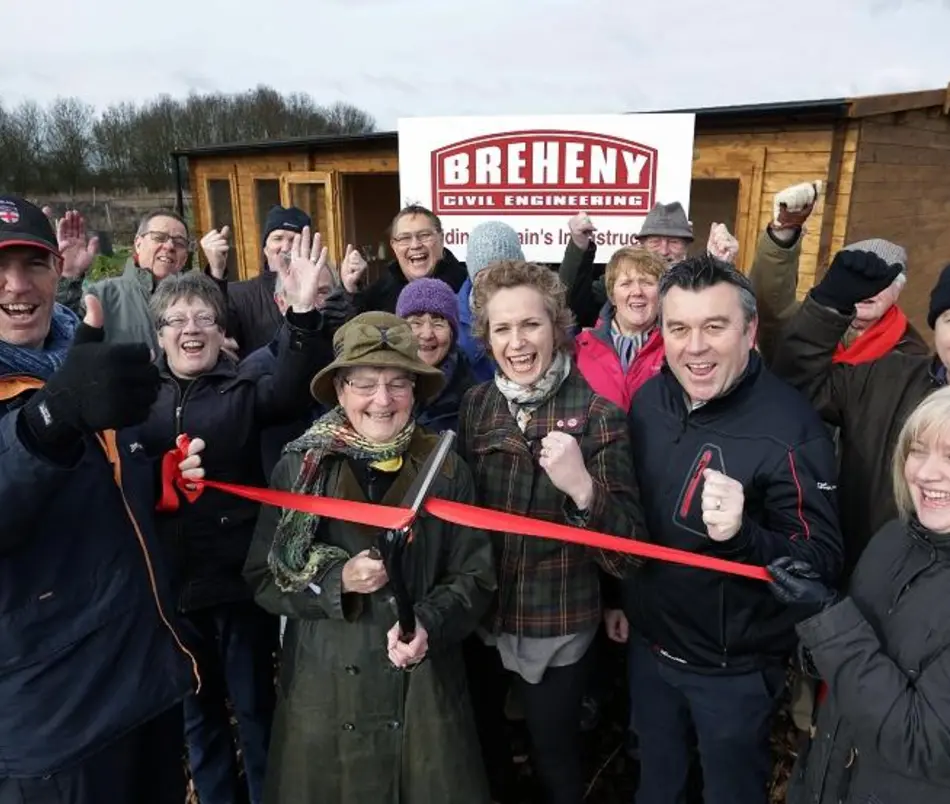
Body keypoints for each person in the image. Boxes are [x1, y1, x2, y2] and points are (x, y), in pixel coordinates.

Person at [0, 194, 205, 803]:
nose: (16, 284)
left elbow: (109, 495)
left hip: (142, 681)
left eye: (32, 263)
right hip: (54, 721)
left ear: (57, 270)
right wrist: (45, 421)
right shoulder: (58, 390)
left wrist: (162, 480)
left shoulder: (82, 358)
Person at [243, 311, 496, 803]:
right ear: (340, 389)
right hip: (326, 695)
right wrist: (337, 580)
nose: (382, 401)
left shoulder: (446, 469)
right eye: (364, 383)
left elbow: (476, 575)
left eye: (398, 384)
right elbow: (263, 577)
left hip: (422, 695)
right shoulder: (299, 467)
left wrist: (427, 621)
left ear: (416, 392)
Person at [622, 253, 843, 804]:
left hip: (733, 671)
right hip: (651, 649)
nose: (695, 347)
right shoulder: (650, 401)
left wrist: (744, 535)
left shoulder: (791, 429)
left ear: (749, 332)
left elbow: (820, 561)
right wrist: (618, 597)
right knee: (657, 784)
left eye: (714, 327)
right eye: (679, 328)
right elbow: (632, 517)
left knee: (730, 793)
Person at [138, 229, 333, 804]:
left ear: (223, 331)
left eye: (204, 317)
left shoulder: (244, 387)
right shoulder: (137, 400)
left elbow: (295, 389)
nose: (191, 328)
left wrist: (301, 317)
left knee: (254, 708)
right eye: (177, 319)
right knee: (198, 718)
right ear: (159, 335)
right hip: (172, 591)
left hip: (237, 583)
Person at [459, 259, 645, 804]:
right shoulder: (476, 406)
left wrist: (585, 490)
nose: (517, 342)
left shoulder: (597, 415)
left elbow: (629, 551)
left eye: (531, 325)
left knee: (555, 756)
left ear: (557, 327)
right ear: (487, 338)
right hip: (484, 618)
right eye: (502, 328)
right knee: (486, 744)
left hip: (557, 620)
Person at [767, 385, 950, 804]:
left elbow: (920, 739)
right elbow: (856, 658)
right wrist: (812, 643)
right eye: (917, 450)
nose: (924, 472)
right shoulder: (894, 538)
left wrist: (827, 619)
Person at [772, 250, 950, 578]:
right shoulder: (887, 376)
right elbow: (798, 387)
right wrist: (828, 306)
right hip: (866, 577)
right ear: (936, 325)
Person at [750, 180, 927, 363]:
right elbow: (770, 306)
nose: (868, 290)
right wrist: (784, 232)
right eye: (855, 277)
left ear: (898, 290)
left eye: (880, 280)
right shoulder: (810, 325)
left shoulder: (912, 357)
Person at [202, 205, 348, 357]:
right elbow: (216, 325)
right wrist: (216, 273)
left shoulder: (323, 291)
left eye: (294, 240)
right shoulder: (240, 295)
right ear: (265, 248)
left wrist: (351, 294)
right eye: (278, 238)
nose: (285, 247)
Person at [61, 209, 193, 352]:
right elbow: (61, 334)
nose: (169, 246)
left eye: (179, 242)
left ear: (185, 257)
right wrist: (69, 277)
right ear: (138, 244)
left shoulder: (196, 300)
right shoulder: (101, 295)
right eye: (159, 237)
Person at [574, 246, 667, 411]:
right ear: (612, 295)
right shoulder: (578, 349)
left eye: (647, 282)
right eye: (626, 283)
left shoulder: (676, 347)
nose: (637, 291)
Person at [349, 204, 468, 314]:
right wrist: (349, 290)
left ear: (441, 238)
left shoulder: (468, 287)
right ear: (394, 246)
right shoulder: (378, 294)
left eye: (424, 235)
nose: (415, 245)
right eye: (405, 238)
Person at [396, 276, 477, 433]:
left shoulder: (473, 400)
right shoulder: (381, 387)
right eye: (416, 323)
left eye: (438, 323)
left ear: (452, 334)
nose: (427, 334)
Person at [456, 221, 525, 381]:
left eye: (501, 273)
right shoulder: (449, 314)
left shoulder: (543, 310)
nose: (492, 283)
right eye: (483, 275)